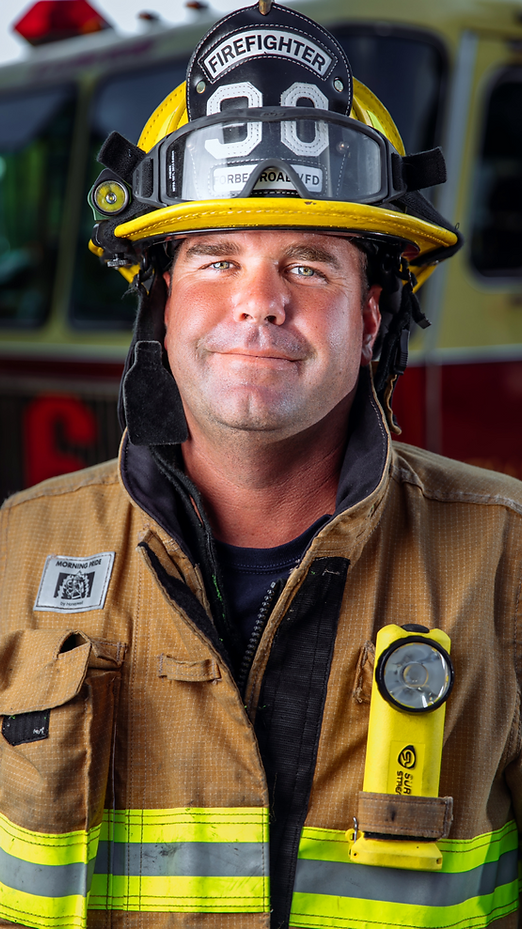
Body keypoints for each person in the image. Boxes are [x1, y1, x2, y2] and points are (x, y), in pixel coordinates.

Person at [0, 3, 520, 928]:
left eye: (312, 265)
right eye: (215, 258)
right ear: (159, 304)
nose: (260, 304)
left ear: (370, 320)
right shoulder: (15, 553)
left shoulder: (508, 562)